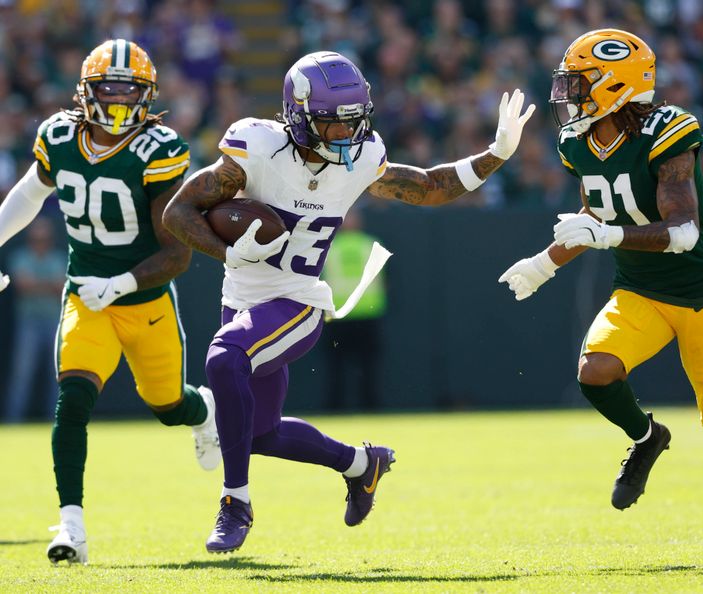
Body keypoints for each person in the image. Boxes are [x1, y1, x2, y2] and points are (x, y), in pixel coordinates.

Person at [163, 50, 534, 554]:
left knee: (224, 357)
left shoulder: (361, 157)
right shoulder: (256, 148)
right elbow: (177, 213)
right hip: (243, 300)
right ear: (296, 116)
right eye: (331, 124)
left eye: (353, 122)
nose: (345, 135)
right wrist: (229, 250)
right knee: (259, 435)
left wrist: (496, 154)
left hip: (298, 300)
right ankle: (362, 465)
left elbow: (427, 187)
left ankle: (236, 504)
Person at [498, 29, 703, 564]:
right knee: (596, 370)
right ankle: (648, 437)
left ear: (615, 85)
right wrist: (543, 265)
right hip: (640, 291)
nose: (570, 97)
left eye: (581, 85)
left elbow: (683, 232)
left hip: (699, 294)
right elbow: (593, 216)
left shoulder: (667, 131)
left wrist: (605, 237)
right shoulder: (578, 143)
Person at [0, 39, 222, 565]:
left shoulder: (160, 149)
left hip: (144, 301)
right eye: (110, 90)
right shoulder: (57, 137)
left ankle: (203, 410)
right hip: (85, 298)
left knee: (169, 407)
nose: (121, 102)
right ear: (86, 92)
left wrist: (120, 283)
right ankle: (71, 524)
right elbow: (32, 194)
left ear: (147, 96)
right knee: (73, 398)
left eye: (131, 92)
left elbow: (178, 253)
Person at [320, 208, 387, 411]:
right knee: (364, 366)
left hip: (340, 313)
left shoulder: (329, 247)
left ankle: (337, 407)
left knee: (339, 366)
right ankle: (368, 406)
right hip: (363, 312)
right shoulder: (370, 245)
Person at [3, 217, 64, 422]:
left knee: (56, 375)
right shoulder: (20, 256)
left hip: (54, 323)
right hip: (28, 323)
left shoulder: (58, 257)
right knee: (22, 375)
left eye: (44, 237)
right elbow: (23, 286)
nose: (40, 240)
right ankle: (14, 421)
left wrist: (36, 285)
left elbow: (60, 287)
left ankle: (56, 419)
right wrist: (48, 285)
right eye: (37, 237)